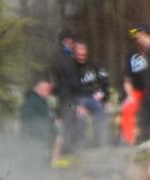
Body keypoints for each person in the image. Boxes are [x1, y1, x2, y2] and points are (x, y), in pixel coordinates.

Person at [50, 28, 82, 156]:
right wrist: (78, 90)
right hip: (67, 94)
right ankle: (68, 150)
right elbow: (70, 76)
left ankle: (68, 148)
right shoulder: (63, 56)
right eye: (72, 40)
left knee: (69, 120)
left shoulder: (61, 54)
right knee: (69, 121)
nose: (73, 43)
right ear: (66, 41)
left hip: (64, 93)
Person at [73, 41, 110, 147]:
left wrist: (104, 96)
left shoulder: (93, 66)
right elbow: (71, 90)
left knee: (100, 108)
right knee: (80, 114)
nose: (81, 55)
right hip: (78, 99)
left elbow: (105, 81)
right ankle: (81, 144)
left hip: (94, 99)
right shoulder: (72, 68)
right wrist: (76, 105)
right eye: (79, 53)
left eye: (83, 53)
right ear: (75, 53)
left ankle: (101, 142)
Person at [19, 76, 62, 165]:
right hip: (37, 133)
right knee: (58, 137)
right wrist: (56, 131)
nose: (48, 94)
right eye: (48, 91)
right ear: (41, 89)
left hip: (27, 133)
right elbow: (46, 119)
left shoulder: (29, 99)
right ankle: (54, 161)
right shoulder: (39, 100)